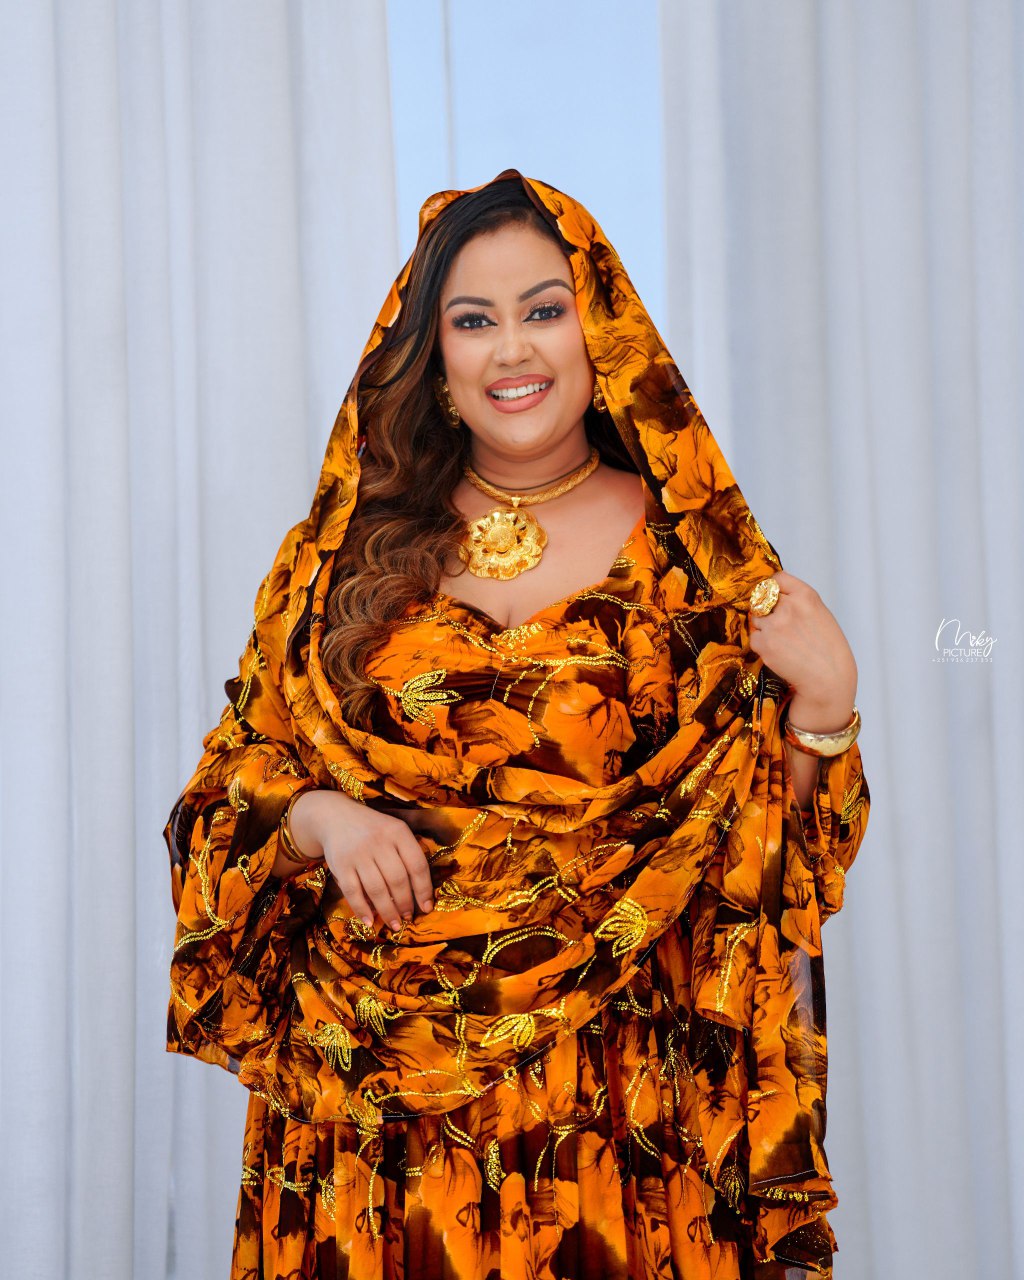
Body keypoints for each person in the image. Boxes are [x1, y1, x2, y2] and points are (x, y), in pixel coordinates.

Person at [163, 169, 870, 1280]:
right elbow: (216, 803)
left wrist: (825, 706)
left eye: (544, 309)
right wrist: (323, 820)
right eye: (474, 320)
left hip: (620, 1122)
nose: (512, 349)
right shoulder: (337, 561)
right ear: (432, 356)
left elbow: (765, 867)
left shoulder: (696, 562)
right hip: (374, 1127)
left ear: (603, 336)